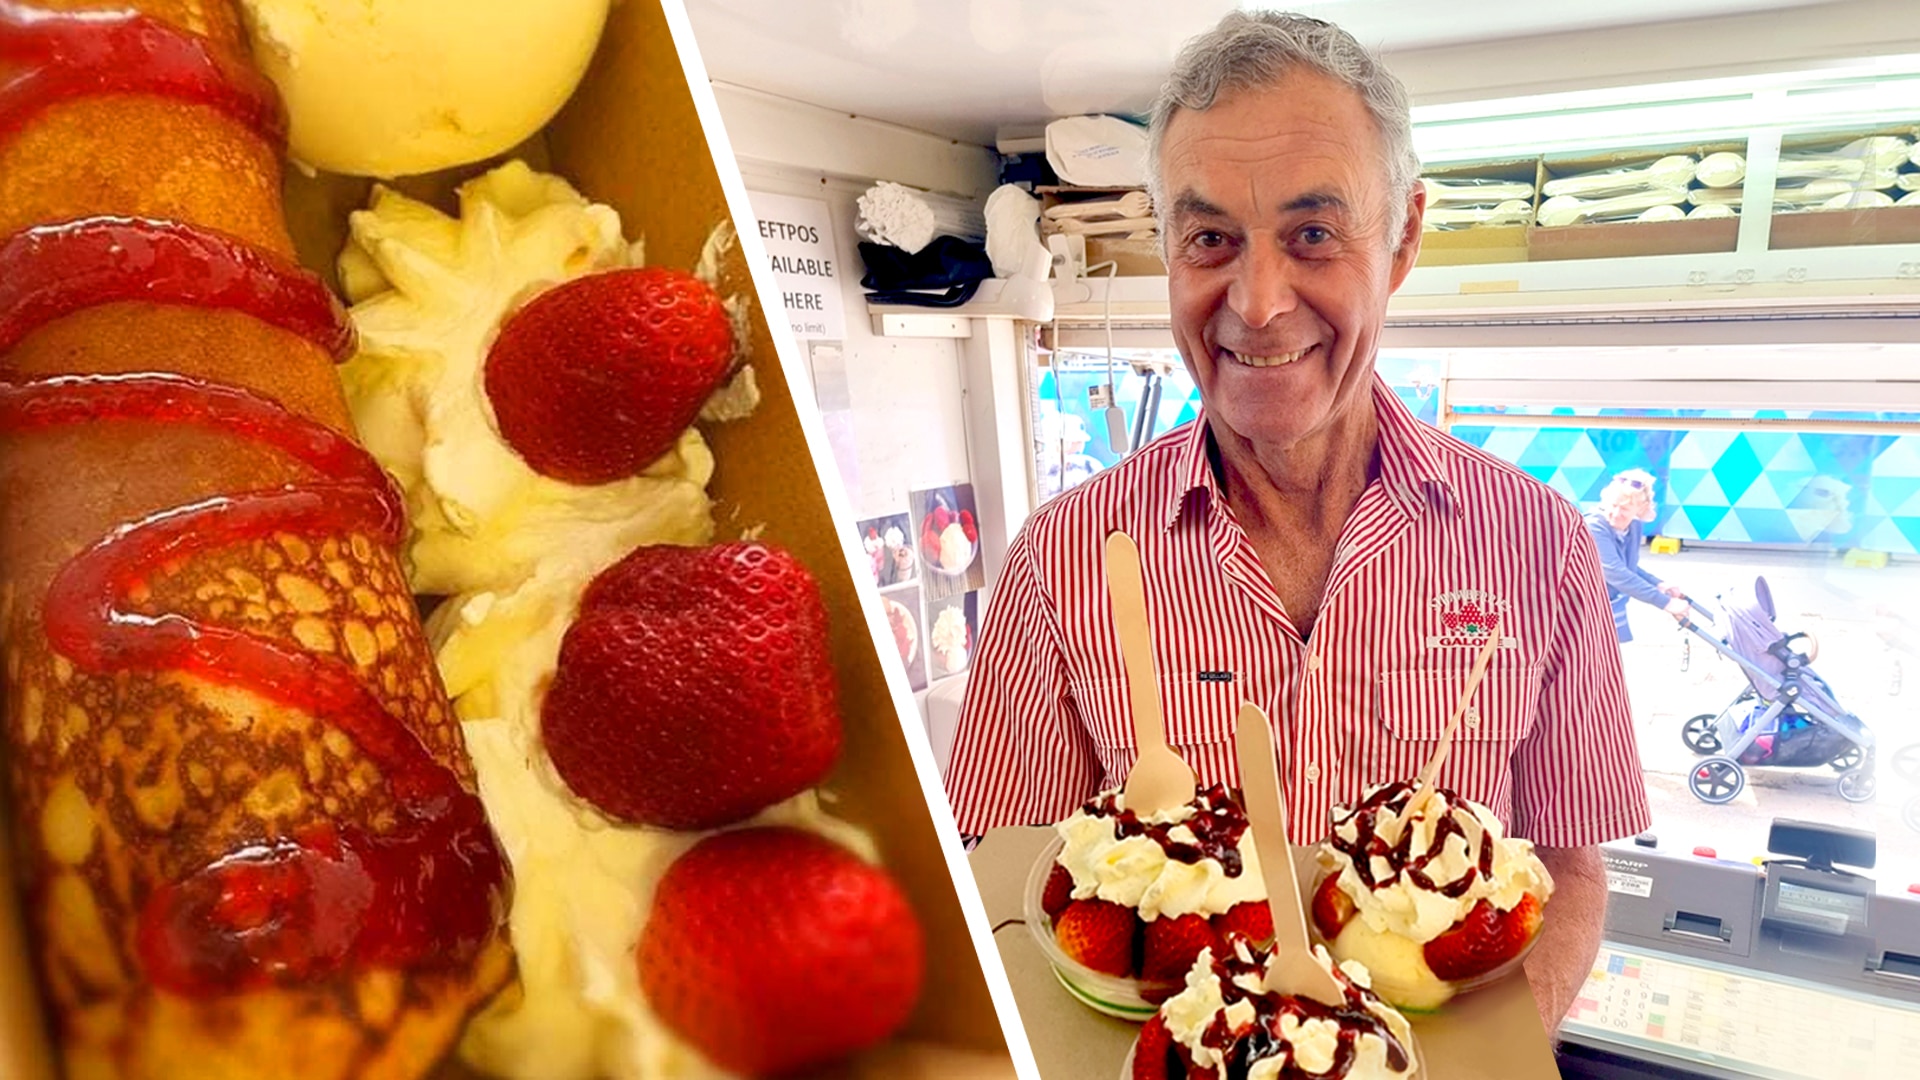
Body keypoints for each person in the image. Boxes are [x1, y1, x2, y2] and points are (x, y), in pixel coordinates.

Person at [943, 11, 1650, 1032]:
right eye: (1211, 239)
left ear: (1402, 236)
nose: (1258, 301)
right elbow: (1014, 889)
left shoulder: (1536, 542)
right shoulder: (1066, 558)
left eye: (1313, 234)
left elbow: (1574, 866)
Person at [1584, 470, 1689, 642]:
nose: (1617, 513)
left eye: (1625, 508)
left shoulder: (1633, 526)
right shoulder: (1594, 528)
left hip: (1604, 606)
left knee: (1607, 663)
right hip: (1577, 609)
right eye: (1613, 505)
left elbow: (1628, 566)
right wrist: (1666, 602)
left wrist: (1657, 584)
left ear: (1641, 508)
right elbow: (1616, 573)